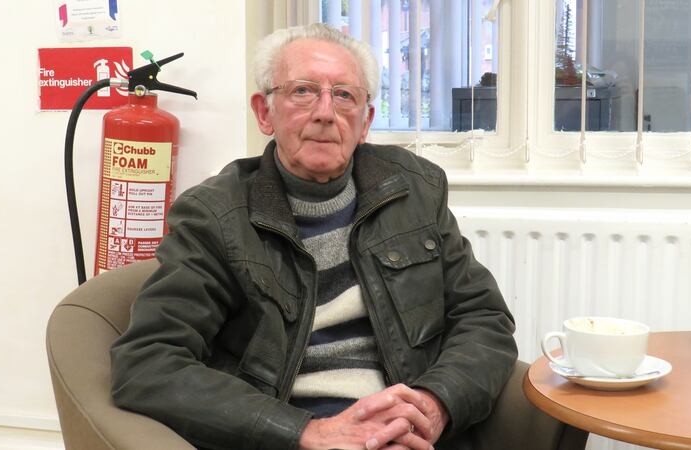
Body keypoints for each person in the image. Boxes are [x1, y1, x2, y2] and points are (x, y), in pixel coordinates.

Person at [110, 23, 517, 450]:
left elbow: (484, 318)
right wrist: (305, 432)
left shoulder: (415, 188)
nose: (326, 111)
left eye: (344, 95)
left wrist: (432, 407)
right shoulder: (213, 215)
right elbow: (147, 363)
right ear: (264, 112)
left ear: (365, 121)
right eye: (303, 91)